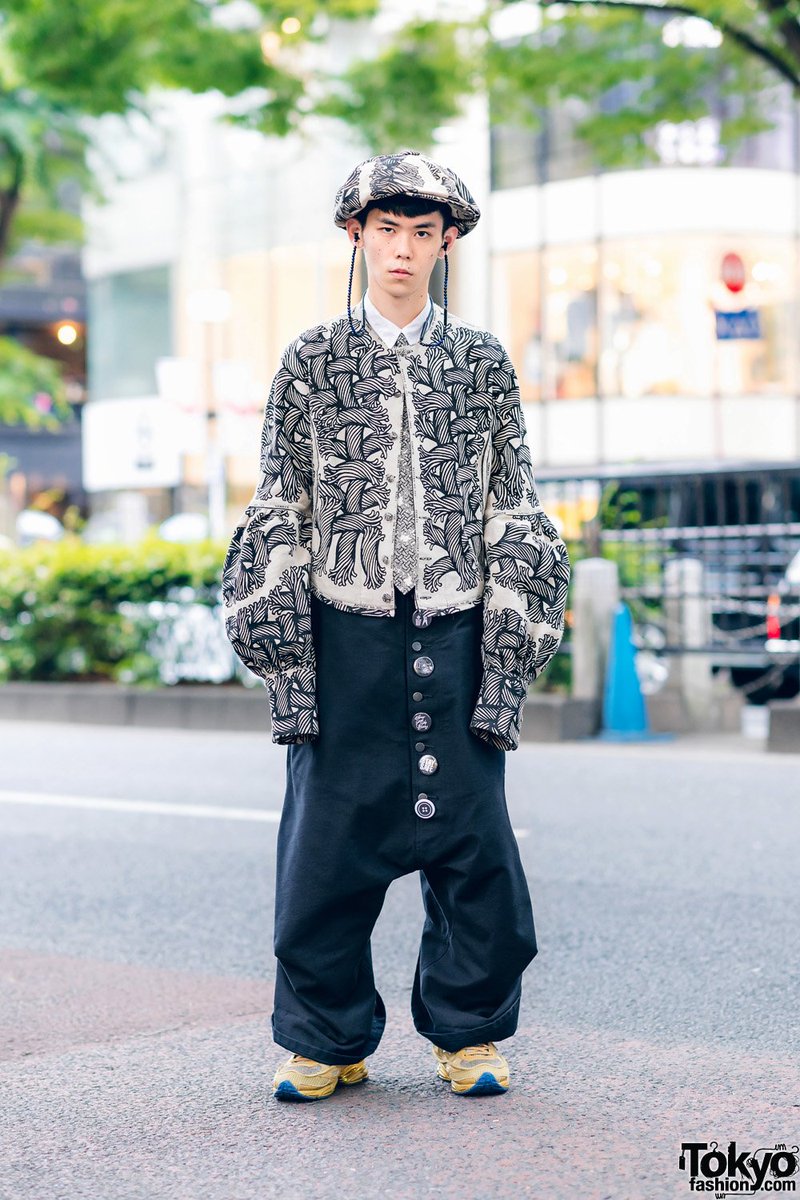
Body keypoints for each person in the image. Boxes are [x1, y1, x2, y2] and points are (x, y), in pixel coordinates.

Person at [221, 150, 570, 1101]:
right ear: (356, 236)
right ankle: (327, 1040)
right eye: (387, 231)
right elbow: (279, 511)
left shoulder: (483, 363)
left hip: (458, 631)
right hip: (343, 633)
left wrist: (506, 667)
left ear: (448, 242)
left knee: (475, 847)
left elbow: (514, 510)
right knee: (324, 849)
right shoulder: (311, 362)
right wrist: (290, 669)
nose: (404, 251)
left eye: (424, 233)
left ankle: (469, 1035)